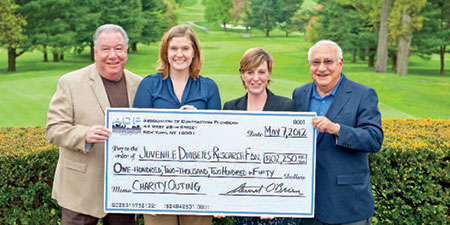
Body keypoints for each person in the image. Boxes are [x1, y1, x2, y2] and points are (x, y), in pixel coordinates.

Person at [46, 24, 142, 225]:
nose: (113, 55)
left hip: (123, 191)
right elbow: (53, 129)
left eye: (118, 48)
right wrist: (84, 135)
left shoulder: (139, 84)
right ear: (95, 52)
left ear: (126, 51)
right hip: (80, 191)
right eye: (106, 49)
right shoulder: (70, 83)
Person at [133, 24, 221, 225]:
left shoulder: (209, 87)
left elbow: (218, 138)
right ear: (165, 52)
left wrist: (200, 121)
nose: (179, 54)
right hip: (157, 184)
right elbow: (137, 137)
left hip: (199, 183)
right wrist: (143, 194)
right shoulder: (149, 85)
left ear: (194, 53)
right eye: (173, 48)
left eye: (185, 48)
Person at [292, 40, 384, 225]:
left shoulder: (363, 94)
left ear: (340, 63)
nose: (322, 68)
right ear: (309, 66)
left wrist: (337, 129)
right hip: (307, 207)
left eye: (328, 62)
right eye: (316, 62)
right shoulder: (299, 94)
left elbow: (374, 139)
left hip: (347, 205)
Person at [223, 47, 298, 225]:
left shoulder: (286, 107)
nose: (255, 78)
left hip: (277, 204)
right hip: (243, 202)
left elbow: (291, 160)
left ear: (269, 74)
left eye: (261, 72)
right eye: (250, 72)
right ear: (242, 75)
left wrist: (275, 200)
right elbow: (226, 157)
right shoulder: (230, 108)